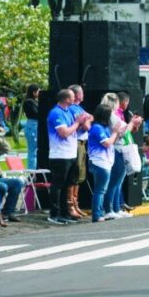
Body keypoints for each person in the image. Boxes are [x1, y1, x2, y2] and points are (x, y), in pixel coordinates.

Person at [45, 89, 91, 225]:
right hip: (60, 154)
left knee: (68, 185)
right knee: (58, 185)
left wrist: (80, 123)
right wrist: (77, 122)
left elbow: (76, 128)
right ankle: (54, 213)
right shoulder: (56, 112)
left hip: (71, 153)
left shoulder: (68, 112)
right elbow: (63, 133)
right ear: (66, 99)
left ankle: (65, 213)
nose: (75, 98)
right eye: (72, 96)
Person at [87, 103, 120, 222]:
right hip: (99, 162)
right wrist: (115, 132)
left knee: (102, 190)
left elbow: (111, 141)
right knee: (100, 190)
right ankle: (96, 214)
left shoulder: (104, 128)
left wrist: (116, 133)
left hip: (105, 162)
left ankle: (99, 212)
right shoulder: (97, 128)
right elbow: (106, 143)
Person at [66, 84, 91, 219]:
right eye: (82, 92)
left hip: (82, 142)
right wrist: (87, 120)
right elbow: (87, 126)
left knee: (80, 175)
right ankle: (70, 204)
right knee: (75, 174)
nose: (84, 94)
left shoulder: (79, 108)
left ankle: (76, 204)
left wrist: (87, 119)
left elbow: (91, 118)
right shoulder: (73, 108)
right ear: (76, 95)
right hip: (77, 142)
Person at [22, 83, 40, 170]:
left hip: (35, 125)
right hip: (32, 125)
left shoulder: (35, 101)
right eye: (38, 91)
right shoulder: (29, 102)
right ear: (34, 92)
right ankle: (31, 171)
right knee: (32, 151)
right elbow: (35, 113)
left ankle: (35, 169)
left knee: (35, 150)